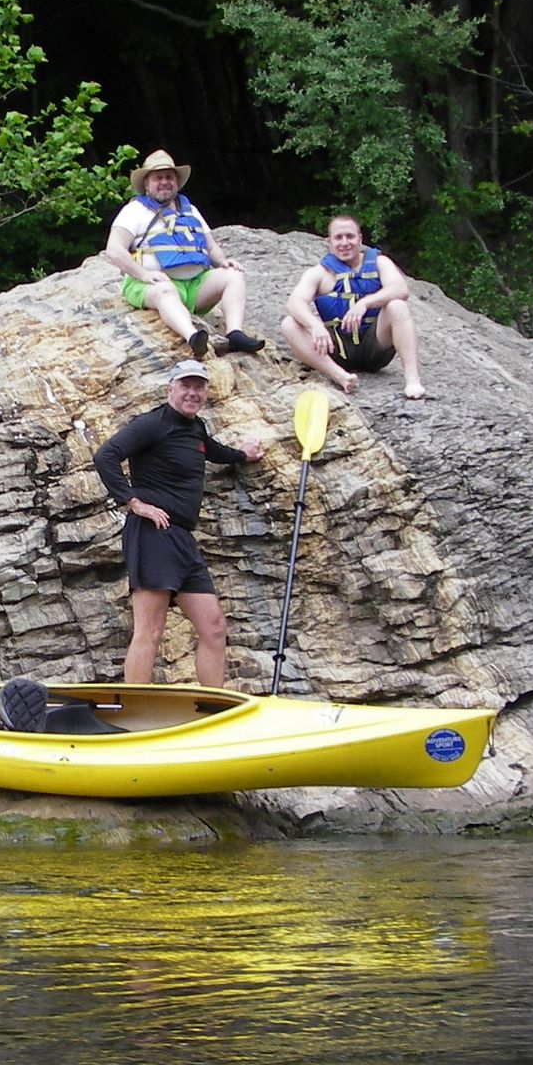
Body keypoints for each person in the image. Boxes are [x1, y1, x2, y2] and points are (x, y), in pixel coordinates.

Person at [92, 359, 265, 686]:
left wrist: (242, 455)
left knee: (213, 626)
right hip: (152, 534)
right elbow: (106, 456)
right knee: (151, 630)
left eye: (199, 387)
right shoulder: (153, 423)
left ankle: (211, 709)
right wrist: (134, 503)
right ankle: (134, 712)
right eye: (185, 385)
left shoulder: (195, 428)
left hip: (182, 539)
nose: (192, 392)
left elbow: (212, 450)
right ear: (170, 388)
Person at [105, 150, 266, 359]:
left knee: (234, 276)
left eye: (169, 177)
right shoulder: (134, 211)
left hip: (194, 285)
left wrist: (223, 261)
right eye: (158, 177)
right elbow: (114, 250)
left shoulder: (189, 209)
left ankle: (234, 333)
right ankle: (193, 337)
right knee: (165, 290)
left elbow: (210, 246)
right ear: (146, 183)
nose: (164, 182)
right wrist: (143, 274)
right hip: (149, 284)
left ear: (177, 182)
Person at [280, 214, 427, 398]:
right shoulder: (319, 273)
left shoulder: (380, 263)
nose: (344, 242)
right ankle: (339, 375)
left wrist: (365, 303)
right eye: (338, 237)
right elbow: (294, 302)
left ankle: (412, 380)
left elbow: (400, 289)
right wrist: (315, 325)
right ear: (329, 241)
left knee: (397, 306)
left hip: (375, 345)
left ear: (360, 239)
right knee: (289, 324)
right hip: (337, 349)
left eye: (350, 236)